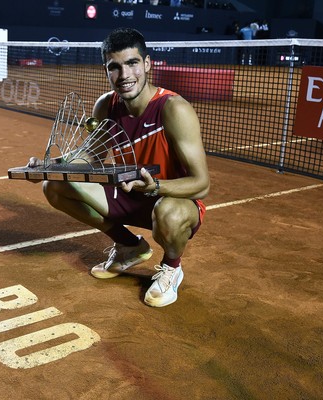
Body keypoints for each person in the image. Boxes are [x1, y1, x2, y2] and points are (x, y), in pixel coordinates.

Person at [28, 27, 210, 308]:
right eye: (115, 67)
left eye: (132, 63)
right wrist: (50, 167)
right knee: (54, 186)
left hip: (170, 200)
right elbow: (90, 156)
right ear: (106, 70)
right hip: (127, 193)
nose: (124, 75)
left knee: (168, 212)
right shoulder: (106, 106)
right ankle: (129, 246)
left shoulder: (173, 109)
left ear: (147, 64)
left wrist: (157, 187)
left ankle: (172, 267)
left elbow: (202, 184)